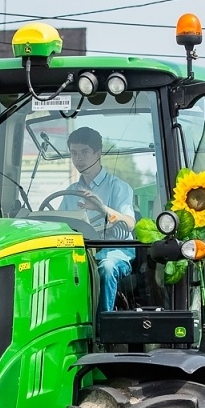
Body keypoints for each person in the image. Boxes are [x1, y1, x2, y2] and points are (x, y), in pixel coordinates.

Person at [56, 127, 137, 313]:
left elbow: (130, 223)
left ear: (98, 153)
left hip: (115, 250)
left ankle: (102, 329)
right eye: (74, 153)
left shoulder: (118, 187)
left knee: (107, 268)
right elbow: (59, 224)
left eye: (84, 152)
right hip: (82, 251)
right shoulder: (72, 191)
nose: (79, 159)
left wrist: (101, 207)